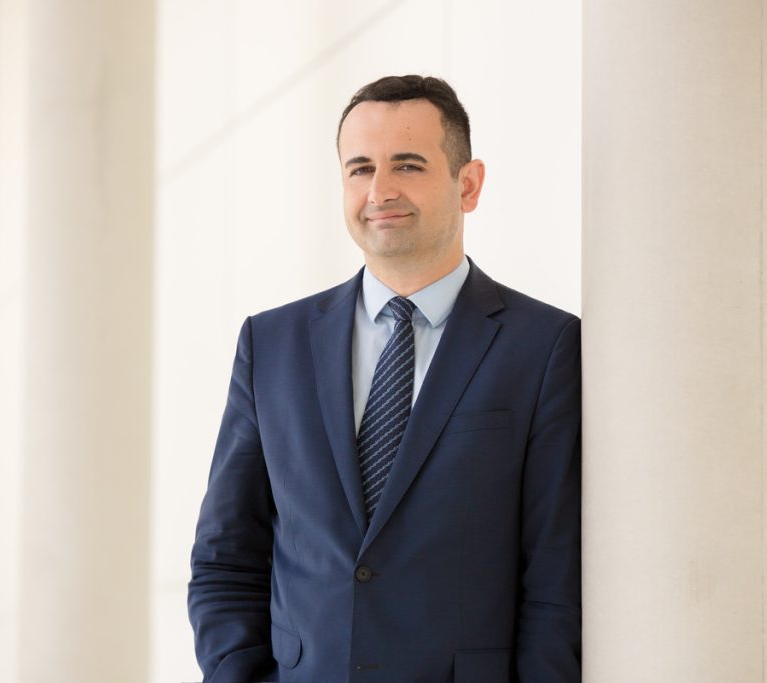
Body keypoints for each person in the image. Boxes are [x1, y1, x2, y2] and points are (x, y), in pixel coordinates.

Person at [188, 75, 581, 683]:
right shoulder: (272, 345)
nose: (380, 190)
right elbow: (226, 554)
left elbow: (557, 574)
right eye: (360, 168)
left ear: (468, 184)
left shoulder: (546, 346)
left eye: (408, 165)